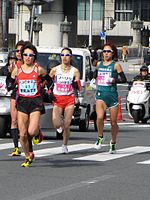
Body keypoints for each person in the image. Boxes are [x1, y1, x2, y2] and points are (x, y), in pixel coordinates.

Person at [10, 43, 52, 167]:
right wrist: (11, 85)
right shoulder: (17, 70)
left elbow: (49, 80)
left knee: (31, 130)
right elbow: (11, 81)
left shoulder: (38, 69)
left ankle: (38, 132)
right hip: (22, 102)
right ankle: (28, 155)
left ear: (34, 57)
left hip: (35, 101)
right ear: (22, 56)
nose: (28, 57)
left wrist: (45, 86)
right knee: (22, 134)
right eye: (25, 55)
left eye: (31, 55)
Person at [93, 43, 127, 153]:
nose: (106, 54)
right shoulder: (99, 64)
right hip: (101, 94)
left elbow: (124, 79)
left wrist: (114, 80)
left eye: (108, 52)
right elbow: (94, 73)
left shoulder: (116, 65)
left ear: (113, 53)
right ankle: (100, 136)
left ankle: (113, 142)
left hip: (112, 95)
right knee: (99, 117)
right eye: (104, 51)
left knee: (113, 123)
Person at [49, 47, 81, 154]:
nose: (65, 57)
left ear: (71, 57)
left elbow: (79, 87)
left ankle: (65, 144)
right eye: (62, 55)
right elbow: (48, 83)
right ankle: (60, 125)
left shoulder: (75, 71)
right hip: (57, 99)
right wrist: (49, 92)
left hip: (69, 99)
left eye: (67, 55)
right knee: (56, 123)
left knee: (67, 124)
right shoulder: (54, 70)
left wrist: (75, 84)